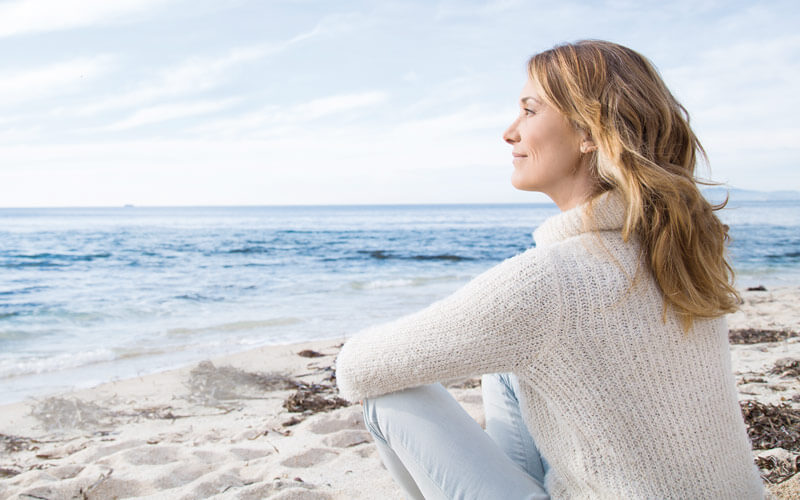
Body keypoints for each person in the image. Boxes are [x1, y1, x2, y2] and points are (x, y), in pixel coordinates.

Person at [334, 40, 764, 499]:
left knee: (390, 396)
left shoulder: (551, 281)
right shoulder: (675, 249)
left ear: (589, 134)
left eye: (530, 111)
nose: (509, 131)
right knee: (507, 367)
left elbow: (355, 369)